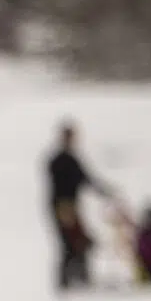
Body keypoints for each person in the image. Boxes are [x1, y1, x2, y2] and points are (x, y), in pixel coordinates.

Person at [47, 123, 108, 291]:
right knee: (70, 243)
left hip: (70, 206)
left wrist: (103, 191)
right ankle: (66, 281)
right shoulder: (58, 160)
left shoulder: (71, 158)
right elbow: (64, 184)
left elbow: (85, 178)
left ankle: (79, 277)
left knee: (81, 242)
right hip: (63, 206)